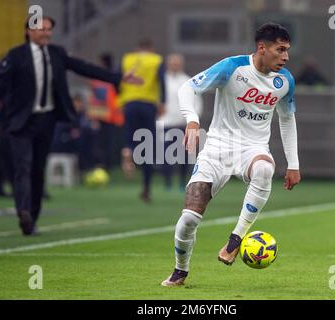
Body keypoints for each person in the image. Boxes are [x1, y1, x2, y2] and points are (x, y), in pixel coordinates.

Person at [161, 23, 301, 286]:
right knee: (189, 219)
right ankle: (180, 271)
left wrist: (293, 164)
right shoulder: (232, 67)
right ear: (262, 47)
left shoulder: (285, 81)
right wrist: (191, 120)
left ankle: (236, 239)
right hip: (217, 148)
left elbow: (287, 120)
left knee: (264, 169)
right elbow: (187, 88)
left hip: (253, 148)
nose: (285, 57)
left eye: (287, 51)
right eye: (280, 50)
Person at [0, 16, 140, 236]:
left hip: (46, 121)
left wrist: (117, 77)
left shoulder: (57, 54)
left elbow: (84, 68)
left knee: (37, 169)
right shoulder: (15, 56)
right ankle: (23, 211)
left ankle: (31, 219)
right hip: (20, 123)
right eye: (42, 29)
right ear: (28, 31)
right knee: (22, 168)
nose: (46, 33)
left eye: (49, 29)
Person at [120, 38, 166, 202]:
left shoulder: (127, 59)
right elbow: (162, 81)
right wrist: (163, 102)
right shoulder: (156, 60)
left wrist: (120, 100)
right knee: (147, 144)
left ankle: (127, 150)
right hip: (148, 104)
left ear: (137, 48)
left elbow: (119, 80)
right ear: (151, 48)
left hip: (129, 103)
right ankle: (146, 188)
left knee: (129, 136)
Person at [158, 53, 202, 191]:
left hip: (184, 123)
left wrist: (194, 120)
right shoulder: (162, 81)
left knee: (184, 155)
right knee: (166, 155)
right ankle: (168, 183)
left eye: (177, 63)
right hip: (166, 122)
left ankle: (183, 182)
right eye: (172, 63)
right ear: (168, 64)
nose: (175, 65)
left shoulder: (188, 81)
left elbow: (197, 101)